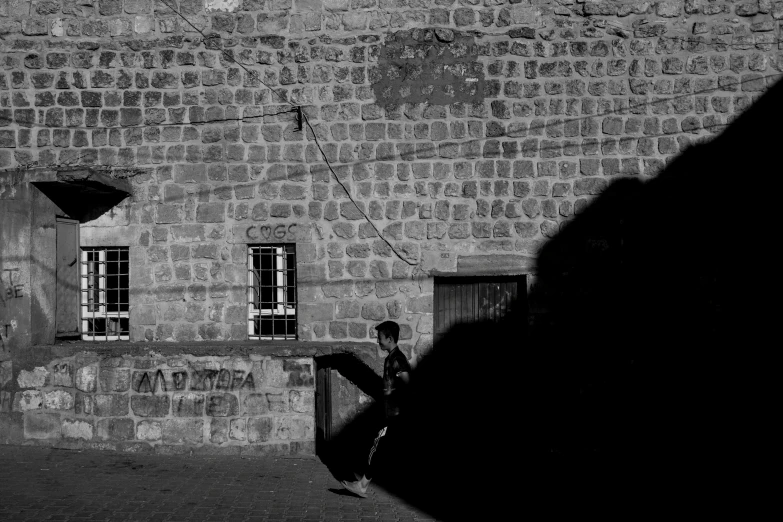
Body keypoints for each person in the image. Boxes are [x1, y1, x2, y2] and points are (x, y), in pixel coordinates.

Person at [341, 320, 411, 498]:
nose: (377, 341)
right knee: (383, 450)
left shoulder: (397, 359)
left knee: (376, 448)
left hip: (393, 415)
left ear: (389, 338)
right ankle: (363, 484)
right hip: (390, 413)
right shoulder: (391, 357)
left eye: (380, 338)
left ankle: (362, 485)